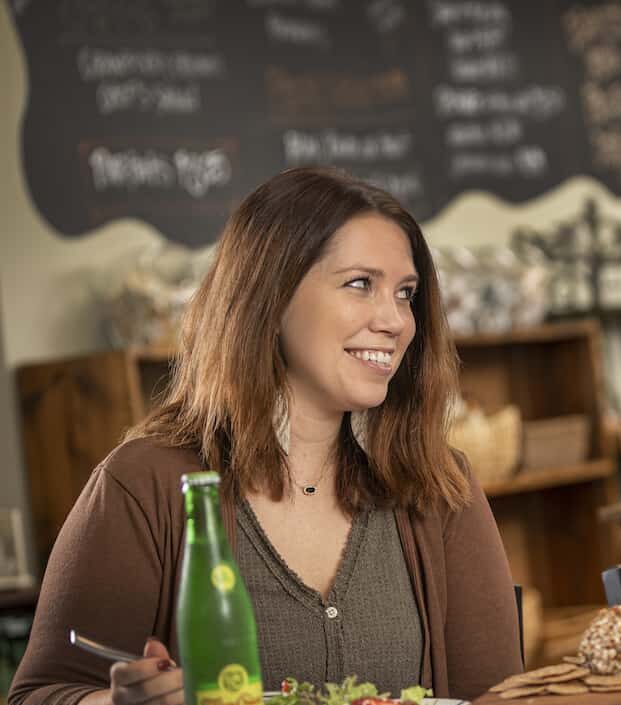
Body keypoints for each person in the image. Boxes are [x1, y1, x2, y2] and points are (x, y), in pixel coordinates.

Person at [9, 167, 522, 705]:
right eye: (360, 284)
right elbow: (39, 694)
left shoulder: (439, 484)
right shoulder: (143, 483)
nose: (395, 320)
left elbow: (498, 697)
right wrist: (118, 704)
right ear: (270, 297)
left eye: (405, 293)